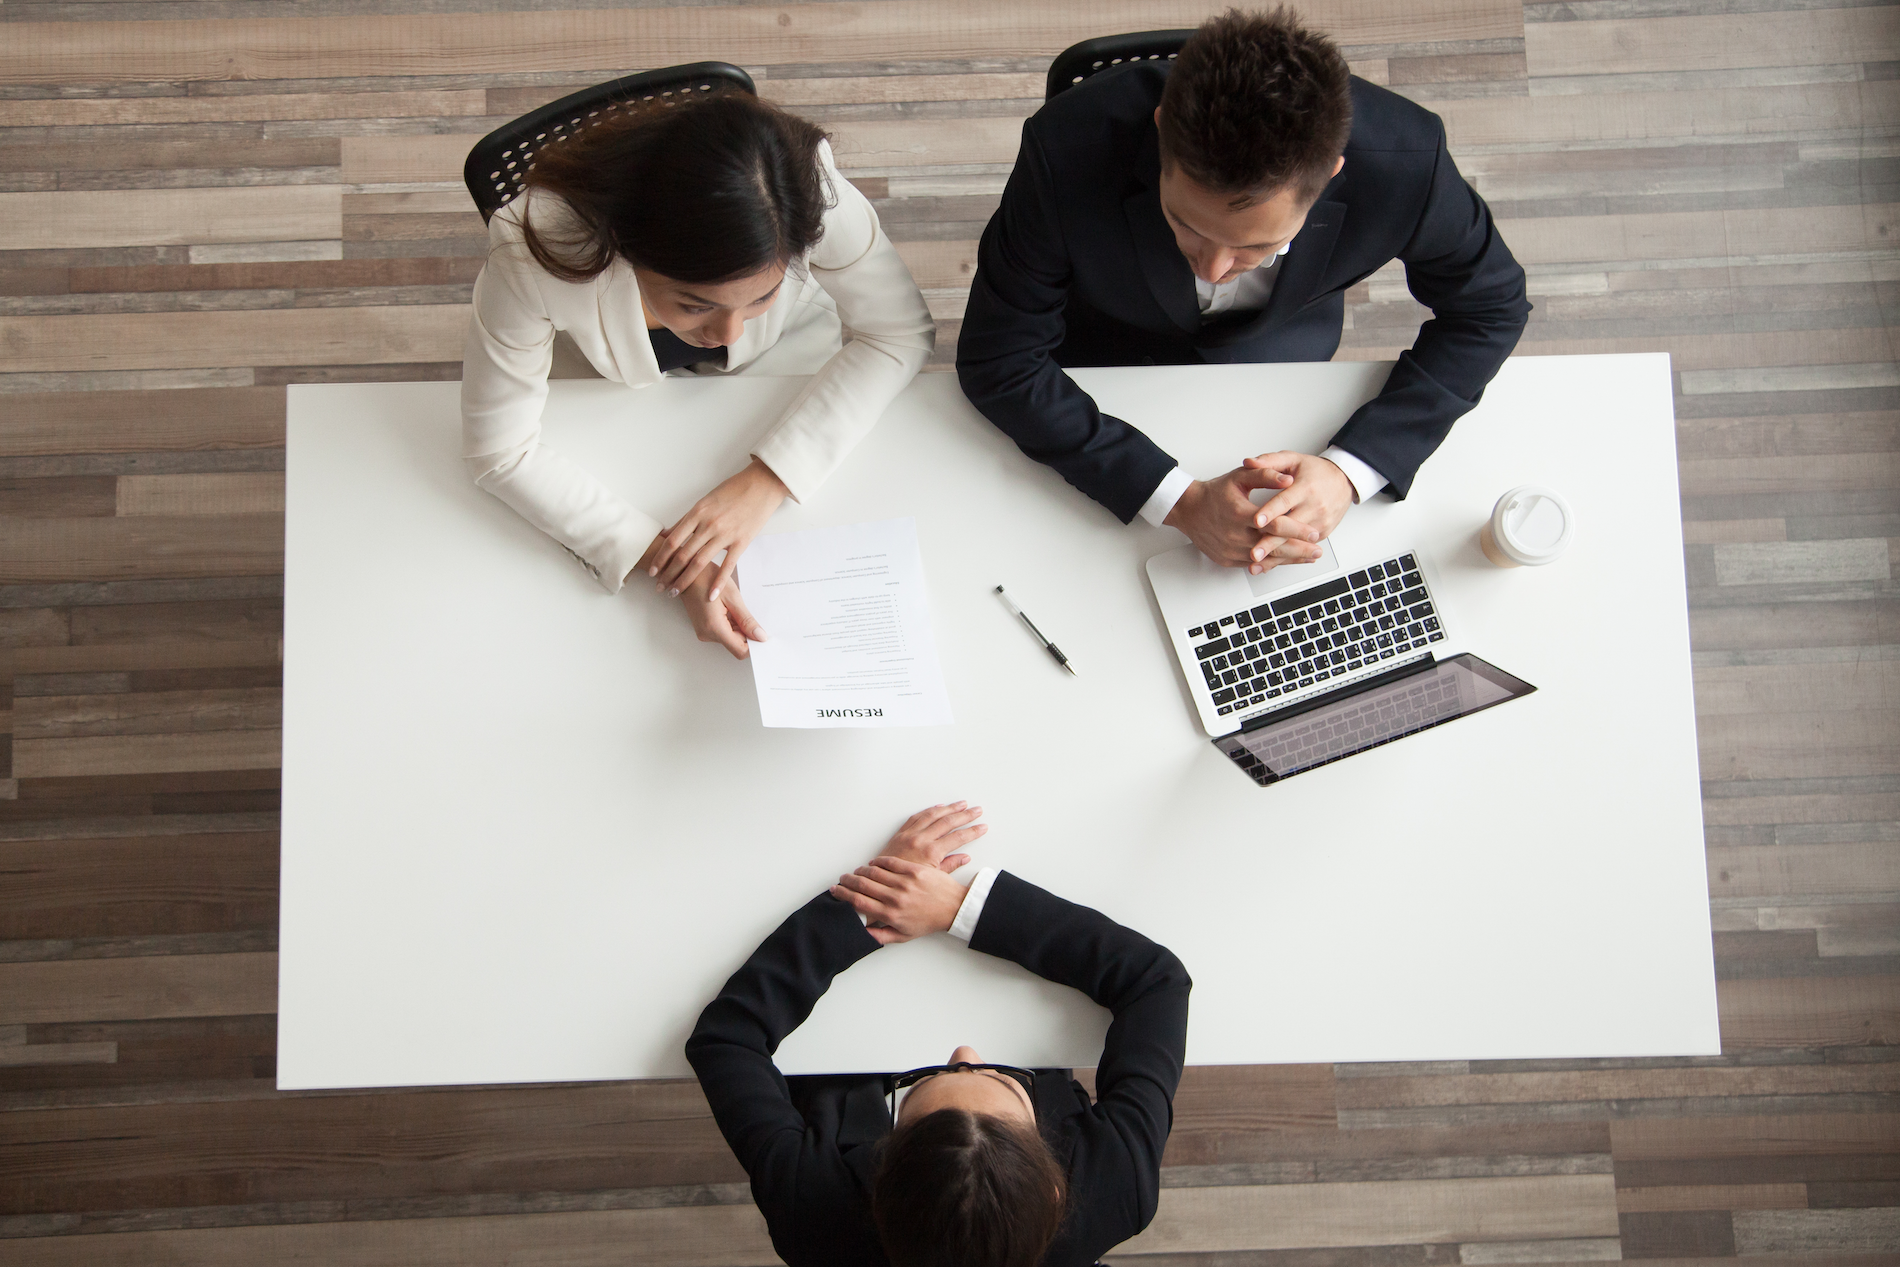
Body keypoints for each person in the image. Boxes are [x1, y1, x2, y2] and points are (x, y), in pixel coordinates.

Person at [957, 7, 1530, 578]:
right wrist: (1176, 500)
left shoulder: (1409, 163)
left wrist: (1350, 469)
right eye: (1187, 225)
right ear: (1161, 133)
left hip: (1281, 363)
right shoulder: (1063, 147)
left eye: (1255, 247)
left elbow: (1490, 307)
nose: (1212, 268)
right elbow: (998, 356)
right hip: (1100, 359)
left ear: (1329, 176)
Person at [462, 92, 934, 659]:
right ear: (630, 252)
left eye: (761, 296)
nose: (730, 332)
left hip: (780, 366)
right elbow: (500, 449)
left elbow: (898, 331)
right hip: (599, 386)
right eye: (694, 305)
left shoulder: (813, 195)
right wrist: (671, 562)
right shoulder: (532, 246)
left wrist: (769, 479)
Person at [685, 802, 1191, 1267]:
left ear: (881, 1165)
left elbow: (727, 1038)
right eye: (1005, 1082)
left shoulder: (811, 1209)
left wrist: (871, 898)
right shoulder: (1116, 1185)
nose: (965, 1051)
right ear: (1056, 1187)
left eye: (924, 1083)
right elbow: (1155, 983)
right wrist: (960, 910)